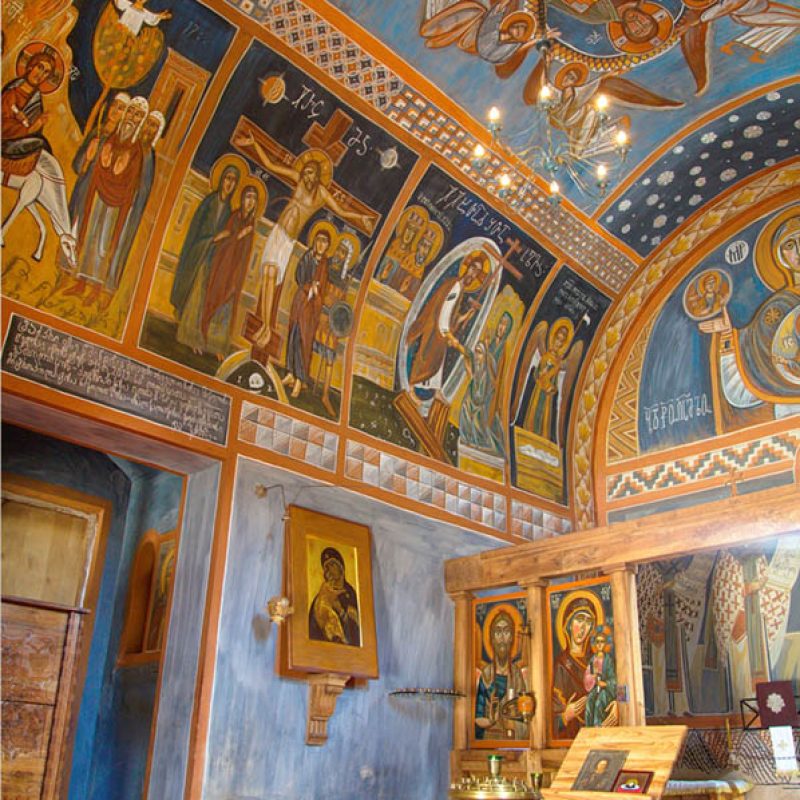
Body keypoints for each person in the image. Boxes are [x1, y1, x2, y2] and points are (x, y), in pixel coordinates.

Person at [233, 129, 374, 349]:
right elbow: (271, 165)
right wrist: (253, 144)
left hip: (288, 240)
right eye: (306, 172)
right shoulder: (298, 181)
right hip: (277, 232)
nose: (307, 176)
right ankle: (263, 324)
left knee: (273, 274)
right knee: (267, 274)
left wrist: (362, 218)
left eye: (311, 173)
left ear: (318, 176)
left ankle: (268, 327)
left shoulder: (321, 194)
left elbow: (342, 211)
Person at [699, 212, 800, 421]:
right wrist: (728, 334)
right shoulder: (777, 308)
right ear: (781, 256)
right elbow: (756, 360)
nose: (798, 251)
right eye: (790, 245)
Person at [68, 96, 148, 306]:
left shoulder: (137, 150)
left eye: (138, 115)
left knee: (104, 243)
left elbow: (133, 181)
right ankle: (80, 282)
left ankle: (96, 288)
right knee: (90, 235)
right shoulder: (111, 138)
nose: (132, 117)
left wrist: (120, 172)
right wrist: (93, 156)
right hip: (98, 194)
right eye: (131, 112)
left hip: (117, 202)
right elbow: (96, 164)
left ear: (141, 121)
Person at [406, 249, 490, 411]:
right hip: (436, 327)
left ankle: (437, 391)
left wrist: (464, 317)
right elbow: (443, 309)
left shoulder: (461, 289)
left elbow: (452, 315)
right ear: (467, 267)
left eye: (477, 272)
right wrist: (447, 332)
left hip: (443, 331)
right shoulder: (454, 285)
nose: (473, 274)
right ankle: (411, 388)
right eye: (473, 268)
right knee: (426, 358)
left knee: (439, 361)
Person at [170, 161, 240, 352]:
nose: (230, 183)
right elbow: (195, 231)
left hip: (212, 259)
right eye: (228, 178)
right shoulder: (210, 202)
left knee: (202, 299)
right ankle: (189, 336)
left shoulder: (228, 209)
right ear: (222, 179)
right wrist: (213, 239)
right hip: (199, 253)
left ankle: (196, 336)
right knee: (196, 295)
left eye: (234, 181)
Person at [106, 108, 165, 295]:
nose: (149, 128)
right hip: (115, 199)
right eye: (148, 123)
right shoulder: (130, 145)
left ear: (157, 132)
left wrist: (134, 196)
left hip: (131, 207)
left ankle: (109, 286)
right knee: (106, 238)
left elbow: (145, 186)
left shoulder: (149, 155)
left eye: (154, 126)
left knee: (120, 244)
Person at [201, 182, 261, 360]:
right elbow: (224, 241)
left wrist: (239, 277)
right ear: (242, 199)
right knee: (213, 300)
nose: (251, 202)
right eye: (248, 197)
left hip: (236, 274)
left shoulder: (251, 224)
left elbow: (246, 255)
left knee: (226, 310)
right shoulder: (235, 217)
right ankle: (202, 339)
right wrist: (240, 235)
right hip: (223, 267)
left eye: (254, 199)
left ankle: (218, 346)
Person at [552, 595, 617, 739]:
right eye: (579, 619)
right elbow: (550, 714)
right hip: (571, 738)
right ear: (568, 624)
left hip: (602, 731)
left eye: (588, 622)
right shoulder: (561, 665)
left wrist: (619, 705)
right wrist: (565, 716)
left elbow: (618, 684)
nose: (583, 627)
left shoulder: (598, 660)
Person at [69, 92, 130, 237]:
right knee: (72, 218)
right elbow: (77, 165)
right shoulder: (97, 131)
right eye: (114, 105)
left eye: (121, 108)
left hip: (99, 190)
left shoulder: (120, 141)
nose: (115, 110)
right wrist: (87, 157)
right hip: (83, 184)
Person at [283, 226, 332, 398]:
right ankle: (291, 372)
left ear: (328, 245)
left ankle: (300, 379)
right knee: (293, 336)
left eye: (324, 241)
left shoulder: (325, 265)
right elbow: (299, 275)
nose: (320, 244)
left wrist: (316, 291)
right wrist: (308, 285)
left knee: (303, 341)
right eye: (318, 240)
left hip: (311, 309)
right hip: (300, 303)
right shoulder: (308, 256)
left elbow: (322, 289)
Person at [1, 45, 63, 182]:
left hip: (21, 142)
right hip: (5, 143)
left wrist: (35, 125)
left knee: (42, 144)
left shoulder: (36, 101)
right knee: (41, 143)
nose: (40, 74)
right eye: (39, 67)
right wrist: (29, 128)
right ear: (30, 67)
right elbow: (2, 126)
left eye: (46, 72)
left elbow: (34, 130)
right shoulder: (12, 93)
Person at [312, 234, 357, 417]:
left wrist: (337, 317)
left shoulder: (345, 280)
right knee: (308, 345)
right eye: (339, 250)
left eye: (343, 253)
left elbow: (342, 304)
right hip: (319, 314)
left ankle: (325, 394)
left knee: (329, 357)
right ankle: (301, 380)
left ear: (347, 258)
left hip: (332, 322)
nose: (339, 254)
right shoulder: (325, 267)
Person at [459, 311, 513, 456]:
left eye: (504, 325)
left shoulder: (503, 349)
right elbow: (479, 358)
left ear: (507, 330)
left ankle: (480, 439)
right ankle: (468, 436)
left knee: (481, 416)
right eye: (500, 323)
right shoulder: (491, 342)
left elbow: (496, 374)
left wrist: (487, 352)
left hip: (489, 391)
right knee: (466, 405)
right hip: (479, 384)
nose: (501, 327)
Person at [475, 608, 528, 740]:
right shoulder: (486, 675)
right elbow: (478, 718)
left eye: (506, 631)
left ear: (511, 638)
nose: (502, 637)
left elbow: (525, 715)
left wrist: (514, 723)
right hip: (490, 737)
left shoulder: (516, 675)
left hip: (512, 738)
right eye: (498, 632)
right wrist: (491, 721)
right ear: (492, 639)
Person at [308, 546, 360, 646]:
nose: (329, 569)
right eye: (326, 567)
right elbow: (312, 631)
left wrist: (340, 611)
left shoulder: (351, 595)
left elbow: (358, 633)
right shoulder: (321, 598)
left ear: (341, 567)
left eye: (332, 564)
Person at [583, 626, 617, 728]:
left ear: (606, 643)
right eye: (597, 642)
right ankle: (589, 729)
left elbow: (615, 680)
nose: (599, 644)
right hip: (596, 688)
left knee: (599, 703)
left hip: (607, 690)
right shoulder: (593, 660)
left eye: (602, 641)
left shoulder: (609, 660)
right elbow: (588, 677)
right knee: (589, 701)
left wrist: (605, 684)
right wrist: (593, 677)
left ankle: (598, 728)